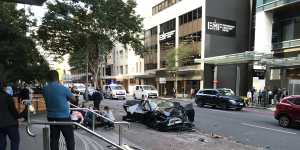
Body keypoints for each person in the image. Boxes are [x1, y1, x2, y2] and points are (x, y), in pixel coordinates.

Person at [43, 70, 76, 150]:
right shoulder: (63, 88)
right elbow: (74, 99)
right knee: (69, 139)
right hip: (64, 117)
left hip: (51, 117)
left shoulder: (44, 89)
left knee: (54, 139)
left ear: (48, 78)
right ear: (57, 78)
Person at [0, 80, 20, 150]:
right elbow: (13, 110)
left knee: (1, 143)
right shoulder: (7, 96)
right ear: (4, 87)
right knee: (15, 141)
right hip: (10, 123)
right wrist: (18, 117)